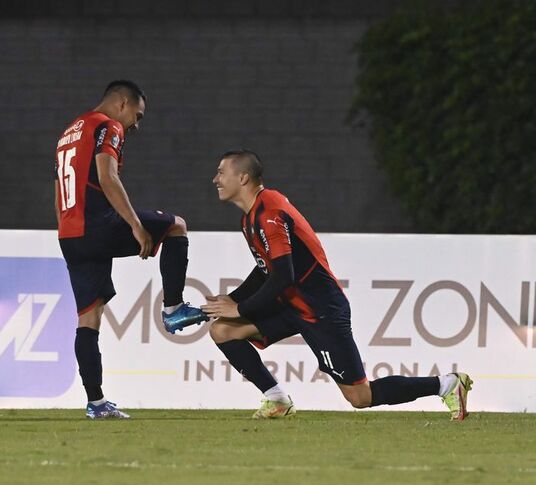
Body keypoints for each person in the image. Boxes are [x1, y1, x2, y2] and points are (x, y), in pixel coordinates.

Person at [201, 149, 472, 420]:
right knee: (223, 331)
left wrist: (241, 309)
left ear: (244, 177)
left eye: (222, 172)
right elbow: (265, 271)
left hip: (320, 310)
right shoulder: (251, 217)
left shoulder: (268, 212)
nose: (216, 179)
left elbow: (283, 276)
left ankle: (447, 384)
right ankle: (277, 400)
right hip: (294, 306)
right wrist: (230, 302)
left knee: (360, 397)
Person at [55, 80, 208, 419]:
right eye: (137, 116)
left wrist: (67, 231)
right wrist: (137, 227)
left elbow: (59, 190)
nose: (136, 125)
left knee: (88, 319)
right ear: (122, 103)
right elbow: (107, 176)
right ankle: (173, 309)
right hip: (96, 225)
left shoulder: (69, 131)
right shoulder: (107, 126)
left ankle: (96, 404)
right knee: (177, 226)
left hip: (70, 234)